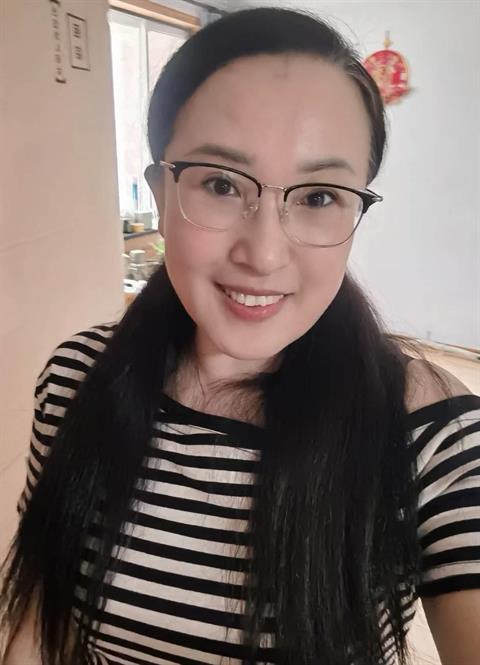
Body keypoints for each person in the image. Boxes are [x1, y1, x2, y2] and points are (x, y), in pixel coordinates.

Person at [2, 7, 479, 665]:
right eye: (221, 184)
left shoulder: (432, 433)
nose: (264, 253)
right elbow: (39, 621)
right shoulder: (77, 377)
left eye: (318, 196)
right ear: (161, 196)